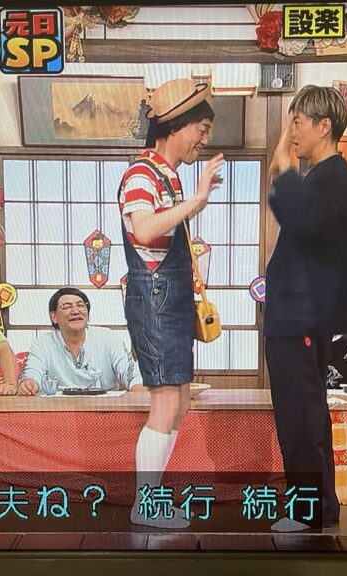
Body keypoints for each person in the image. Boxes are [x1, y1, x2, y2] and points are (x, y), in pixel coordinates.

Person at [118, 78, 224, 528]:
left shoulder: (166, 174)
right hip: (155, 298)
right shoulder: (142, 173)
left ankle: (152, 499)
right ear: (176, 126)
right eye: (202, 128)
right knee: (165, 402)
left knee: (178, 400)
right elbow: (144, 229)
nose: (204, 139)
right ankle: (146, 506)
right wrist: (197, 201)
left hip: (170, 298)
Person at [265, 85, 347, 531]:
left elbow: (298, 217)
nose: (292, 132)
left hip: (301, 317)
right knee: (304, 414)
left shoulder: (333, 175)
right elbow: (290, 206)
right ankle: (320, 508)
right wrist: (284, 161)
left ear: (325, 126)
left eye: (297, 122)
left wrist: (283, 160)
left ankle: (308, 511)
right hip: (297, 316)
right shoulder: (323, 176)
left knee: (301, 416)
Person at [18, 287, 144, 395]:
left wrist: (138, 386)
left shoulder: (108, 338)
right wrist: (29, 383)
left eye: (80, 305)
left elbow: (130, 372)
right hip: (60, 409)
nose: (75, 311)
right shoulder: (42, 344)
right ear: (54, 317)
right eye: (67, 307)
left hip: (104, 409)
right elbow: (32, 372)